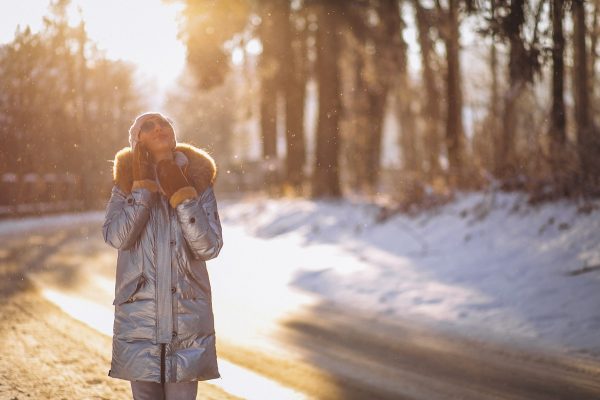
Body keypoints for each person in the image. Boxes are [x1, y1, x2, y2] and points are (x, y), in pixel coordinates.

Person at [102, 112, 224, 400]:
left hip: (186, 319)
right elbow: (117, 236)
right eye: (148, 126)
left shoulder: (197, 180)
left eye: (164, 124)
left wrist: (183, 195)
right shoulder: (125, 182)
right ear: (138, 139)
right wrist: (142, 189)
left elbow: (209, 246)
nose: (158, 129)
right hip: (138, 320)